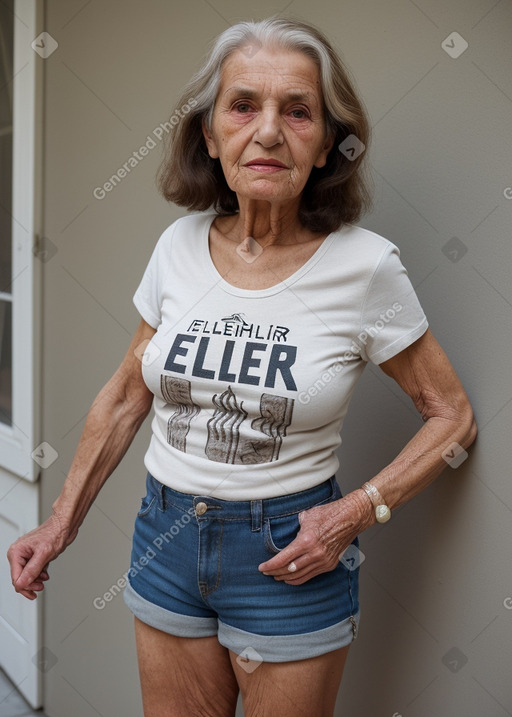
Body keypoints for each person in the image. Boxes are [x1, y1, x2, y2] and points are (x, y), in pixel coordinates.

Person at [7, 16, 477, 717]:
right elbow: (127, 394)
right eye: (243, 105)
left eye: (297, 111)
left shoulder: (364, 267)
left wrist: (354, 514)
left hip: (288, 552)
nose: (267, 132)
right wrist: (60, 520)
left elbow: (453, 417)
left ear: (325, 145)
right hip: (164, 538)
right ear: (209, 133)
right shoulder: (177, 247)